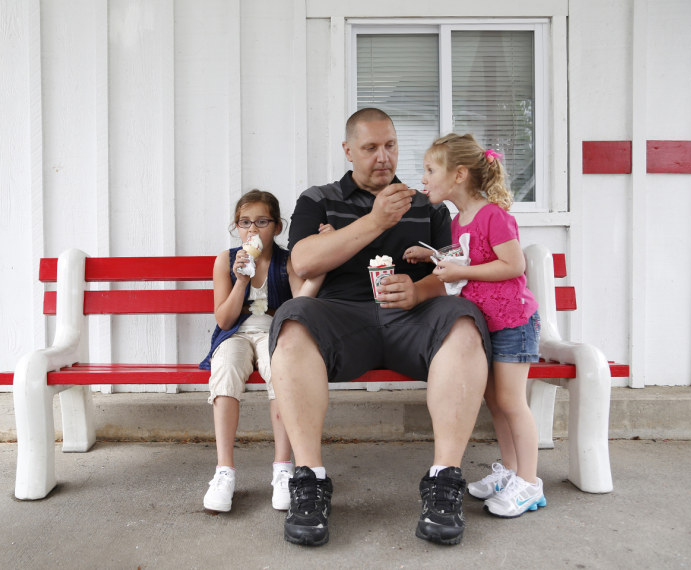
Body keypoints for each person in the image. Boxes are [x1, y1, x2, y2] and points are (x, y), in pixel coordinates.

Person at [269, 108, 492, 547]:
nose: (383, 157)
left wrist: (420, 291)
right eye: (370, 148)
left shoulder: (426, 201)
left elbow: (455, 269)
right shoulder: (319, 198)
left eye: (390, 145)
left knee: (465, 321)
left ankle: (443, 480)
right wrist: (375, 221)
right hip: (343, 317)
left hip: (412, 317)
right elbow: (302, 262)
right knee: (292, 323)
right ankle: (310, 481)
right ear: (348, 150)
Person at [406, 133, 545, 518]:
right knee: (495, 402)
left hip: (514, 322)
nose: (425, 178)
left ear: (460, 174)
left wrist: (460, 268)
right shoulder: (459, 220)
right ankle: (511, 471)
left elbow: (513, 265)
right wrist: (432, 255)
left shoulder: (493, 216)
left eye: (431, 170)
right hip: (489, 324)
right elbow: (466, 259)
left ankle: (530, 483)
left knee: (513, 403)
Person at [199, 189, 324, 513]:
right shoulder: (225, 261)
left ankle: (283, 468)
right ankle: (224, 471)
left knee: (282, 375)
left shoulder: (287, 261)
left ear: (277, 227)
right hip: (235, 333)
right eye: (244, 223)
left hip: (276, 334)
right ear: (236, 227)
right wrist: (241, 280)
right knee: (225, 370)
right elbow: (224, 318)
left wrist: (321, 268)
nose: (252, 230)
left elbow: (300, 303)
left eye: (261, 222)